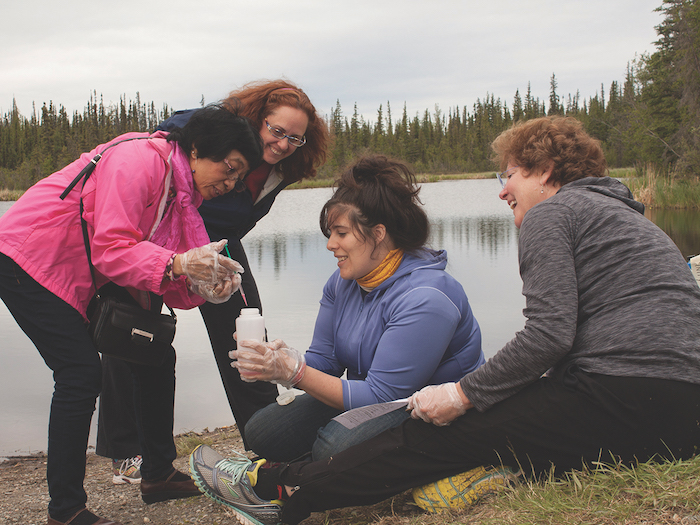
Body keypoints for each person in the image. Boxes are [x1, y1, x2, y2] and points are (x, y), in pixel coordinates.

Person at [187, 116, 700, 525]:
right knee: (504, 423)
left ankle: (279, 489)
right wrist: (288, 367)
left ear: (545, 171)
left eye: (511, 175)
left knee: (443, 429)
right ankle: (483, 470)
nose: (503, 191)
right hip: (679, 412)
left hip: (628, 394)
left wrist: (464, 394)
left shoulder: (553, 214)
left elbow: (548, 334)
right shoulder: (626, 215)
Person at [0, 104, 263, 525]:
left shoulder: (181, 192)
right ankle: (65, 511)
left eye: (238, 176)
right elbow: (113, 249)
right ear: (196, 150)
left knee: (155, 354)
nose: (230, 183)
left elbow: (166, 271)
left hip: (77, 271)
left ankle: (157, 476)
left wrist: (208, 284)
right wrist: (181, 265)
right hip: (29, 259)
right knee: (79, 374)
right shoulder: (139, 160)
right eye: (228, 168)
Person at [95, 80, 329, 483]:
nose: (284, 143)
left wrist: (215, 258)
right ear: (258, 120)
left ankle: (267, 441)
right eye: (277, 130)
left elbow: (237, 215)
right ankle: (126, 453)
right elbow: (169, 141)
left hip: (219, 247)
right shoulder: (217, 133)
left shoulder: (282, 168)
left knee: (247, 332)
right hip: (158, 240)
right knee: (130, 336)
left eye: (295, 137)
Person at [225, 154, 484, 464]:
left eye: (341, 233)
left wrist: (295, 373)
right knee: (263, 432)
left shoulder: (426, 297)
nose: (330, 244)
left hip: (432, 409)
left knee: (333, 448)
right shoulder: (344, 281)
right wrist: (280, 362)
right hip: (372, 397)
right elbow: (327, 361)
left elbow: (383, 396)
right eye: (330, 233)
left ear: (378, 233)